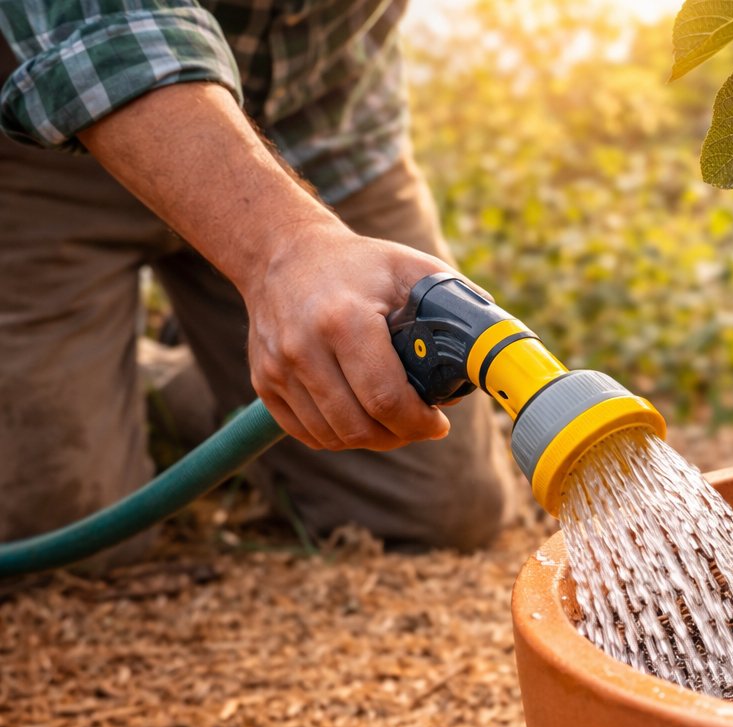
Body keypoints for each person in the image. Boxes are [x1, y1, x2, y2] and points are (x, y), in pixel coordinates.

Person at [0, 1, 520, 558]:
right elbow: (107, 32)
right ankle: (134, 370)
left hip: (315, 126)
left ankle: (186, 366)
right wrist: (288, 248)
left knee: (438, 506)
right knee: (67, 532)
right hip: (50, 123)